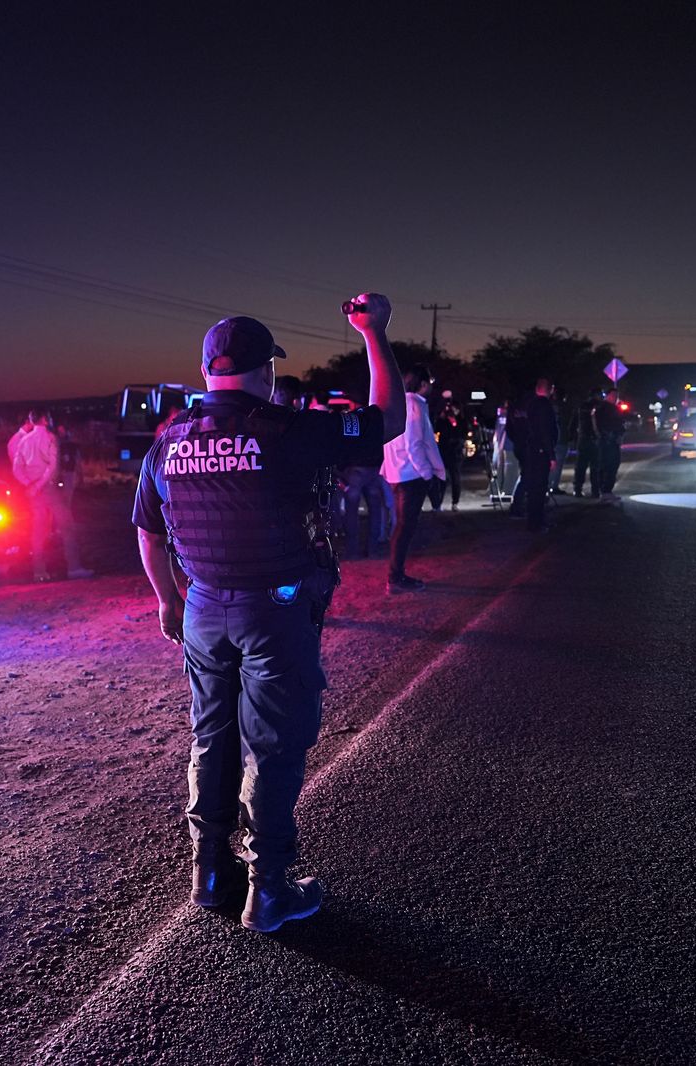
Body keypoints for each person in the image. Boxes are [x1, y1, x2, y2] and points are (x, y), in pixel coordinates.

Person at [132, 297, 403, 933]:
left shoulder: (167, 442)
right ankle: (270, 888)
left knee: (211, 736)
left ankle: (209, 872)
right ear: (266, 371)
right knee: (274, 747)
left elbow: (147, 532)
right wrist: (374, 332)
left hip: (201, 608)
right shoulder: (290, 432)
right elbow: (385, 419)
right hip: (274, 612)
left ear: (206, 372)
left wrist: (168, 599)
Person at [381, 368, 446, 593]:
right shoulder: (416, 405)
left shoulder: (397, 402)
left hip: (397, 472)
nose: (432, 386)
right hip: (411, 474)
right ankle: (395, 577)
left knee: (401, 526)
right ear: (423, 384)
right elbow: (414, 444)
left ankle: (395, 574)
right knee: (404, 527)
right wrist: (427, 473)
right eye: (430, 381)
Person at [10, 409, 92, 581]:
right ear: (45, 420)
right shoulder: (50, 438)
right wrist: (40, 484)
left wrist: (29, 485)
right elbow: (53, 465)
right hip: (48, 488)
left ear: (32, 421)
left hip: (33, 490)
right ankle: (74, 567)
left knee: (38, 530)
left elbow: (17, 468)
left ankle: (39, 571)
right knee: (67, 527)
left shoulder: (24, 441)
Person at [517, 377, 559, 532]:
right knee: (539, 489)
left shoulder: (531, 404)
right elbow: (545, 431)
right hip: (540, 451)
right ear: (550, 389)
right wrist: (551, 455)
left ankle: (535, 521)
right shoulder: (544, 406)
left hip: (532, 449)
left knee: (534, 488)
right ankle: (536, 523)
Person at [435, 389, 467, 510]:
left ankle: (455, 502)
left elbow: (463, 432)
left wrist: (455, 421)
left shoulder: (461, 420)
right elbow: (437, 428)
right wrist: (442, 417)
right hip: (444, 449)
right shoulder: (442, 418)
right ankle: (438, 502)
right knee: (442, 477)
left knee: (455, 477)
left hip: (456, 451)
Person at [594, 387, 626, 502]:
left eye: (616, 396)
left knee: (611, 465)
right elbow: (602, 425)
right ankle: (605, 491)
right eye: (613, 395)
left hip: (611, 441)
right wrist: (610, 436)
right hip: (608, 441)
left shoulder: (612, 408)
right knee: (609, 465)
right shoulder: (603, 408)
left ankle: (605, 491)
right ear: (607, 396)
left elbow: (620, 423)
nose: (615, 398)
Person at [569, 389, 602, 498]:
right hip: (594, 440)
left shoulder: (581, 407)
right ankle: (595, 491)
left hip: (582, 439)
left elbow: (573, 424)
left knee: (580, 466)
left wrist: (572, 439)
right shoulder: (599, 406)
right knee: (595, 466)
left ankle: (577, 489)